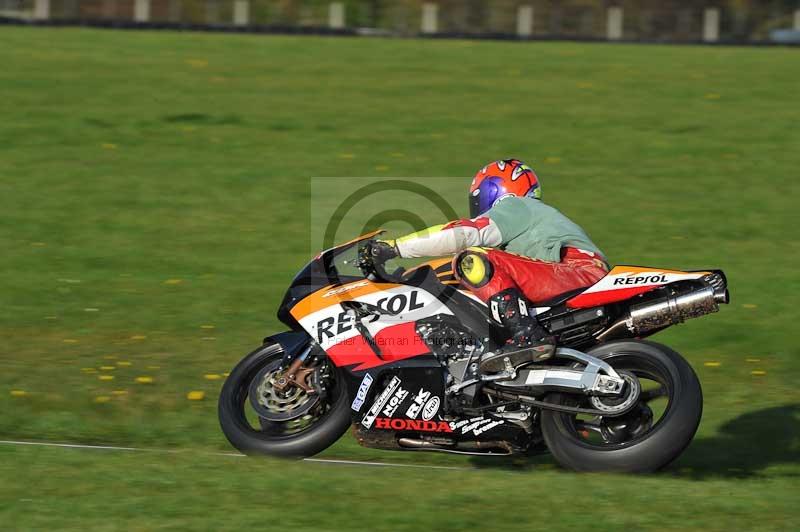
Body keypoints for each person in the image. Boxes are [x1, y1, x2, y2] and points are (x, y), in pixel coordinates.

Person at [370, 159, 609, 370]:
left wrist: (394, 248)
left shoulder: (517, 207)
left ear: (494, 190)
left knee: (471, 259)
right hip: (574, 275)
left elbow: (466, 233)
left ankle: (526, 334)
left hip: (577, 272)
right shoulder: (530, 222)